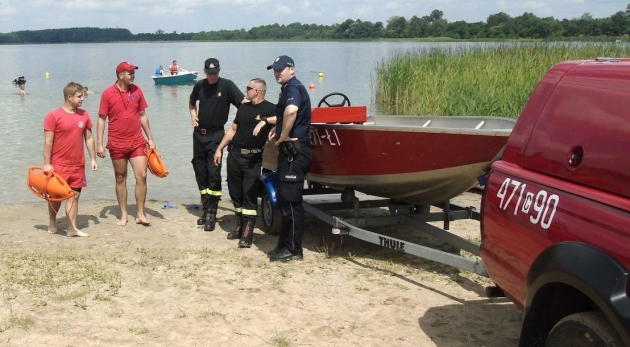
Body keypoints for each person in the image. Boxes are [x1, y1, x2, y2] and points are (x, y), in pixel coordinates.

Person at [214, 78, 276, 247]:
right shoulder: (243, 107)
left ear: (258, 91)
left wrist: (266, 121)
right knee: (235, 193)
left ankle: (248, 233)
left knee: (249, 194)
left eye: (249, 88)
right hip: (234, 155)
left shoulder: (270, 108)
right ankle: (240, 226)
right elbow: (233, 129)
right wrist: (219, 149)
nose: (246, 90)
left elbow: (284, 118)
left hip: (253, 159)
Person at [189, 57, 245, 232]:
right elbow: (191, 103)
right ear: (204, 72)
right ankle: (205, 211)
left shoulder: (227, 85)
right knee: (200, 172)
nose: (212, 76)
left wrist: (236, 126)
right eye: (209, 73)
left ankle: (212, 215)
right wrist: (193, 114)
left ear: (219, 71)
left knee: (213, 173)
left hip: (216, 135)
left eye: (215, 73)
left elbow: (242, 105)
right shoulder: (199, 86)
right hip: (199, 135)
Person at [97, 61, 156, 226]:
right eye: (130, 73)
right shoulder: (107, 93)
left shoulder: (137, 90)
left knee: (142, 176)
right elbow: (102, 119)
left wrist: (150, 138)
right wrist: (100, 144)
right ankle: (124, 214)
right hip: (116, 143)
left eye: (133, 72)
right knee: (120, 177)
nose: (133, 75)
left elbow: (143, 115)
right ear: (120, 75)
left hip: (137, 141)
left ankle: (140, 214)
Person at [266, 55, 312, 262]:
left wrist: (284, 134)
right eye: (275, 70)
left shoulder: (294, 87)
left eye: (280, 69)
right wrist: (278, 130)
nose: (277, 73)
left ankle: (294, 250)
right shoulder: (288, 88)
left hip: (295, 152)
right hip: (289, 153)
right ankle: (285, 245)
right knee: (285, 202)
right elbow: (287, 113)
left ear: (292, 69)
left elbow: (291, 111)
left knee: (292, 204)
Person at [43, 82, 98, 237]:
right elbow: (48, 142)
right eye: (79, 96)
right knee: (56, 197)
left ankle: (72, 228)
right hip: (59, 164)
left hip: (78, 164)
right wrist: (47, 164)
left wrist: (93, 158)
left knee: (75, 196)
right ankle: (52, 221)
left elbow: (89, 138)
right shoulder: (53, 116)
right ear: (69, 97)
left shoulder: (84, 114)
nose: (82, 99)